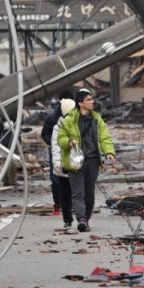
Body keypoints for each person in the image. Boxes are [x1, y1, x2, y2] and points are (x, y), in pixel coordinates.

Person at [58, 90, 116, 232]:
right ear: (80, 103)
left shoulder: (97, 119)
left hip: (92, 161)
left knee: (89, 194)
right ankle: (81, 219)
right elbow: (60, 139)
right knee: (78, 193)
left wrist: (109, 152)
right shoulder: (69, 120)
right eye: (89, 100)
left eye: (92, 99)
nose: (92, 102)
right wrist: (69, 141)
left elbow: (105, 138)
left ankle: (86, 218)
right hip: (75, 162)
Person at [41, 89, 75, 216]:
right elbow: (44, 133)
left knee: (71, 179)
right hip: (56, 153)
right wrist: (54, 143)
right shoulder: (52, 118)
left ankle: (69, 204)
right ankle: (57, 202)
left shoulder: (76, 116)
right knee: (55, 179)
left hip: (72, 153)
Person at [51, 98, 76, 228]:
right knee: (65, 193)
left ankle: (83, 217)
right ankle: (68, 219)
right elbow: (55, 148)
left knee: (79, 192)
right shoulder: (58, 127)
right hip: (63, 165)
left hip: (78, 164)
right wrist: (57, 164)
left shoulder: (80, 124)